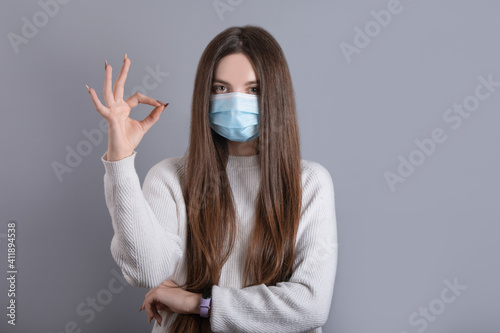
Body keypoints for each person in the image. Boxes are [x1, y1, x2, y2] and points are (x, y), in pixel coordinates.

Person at [86, 25, 338, 333]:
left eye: (253, 89)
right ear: (204, 96)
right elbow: (147, 272)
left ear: (275, 95)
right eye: (221, 88)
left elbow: (310, 306)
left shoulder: (309, 182)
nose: (235, 102)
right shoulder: (169, 177)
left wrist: (200, 303)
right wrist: (120, 160)